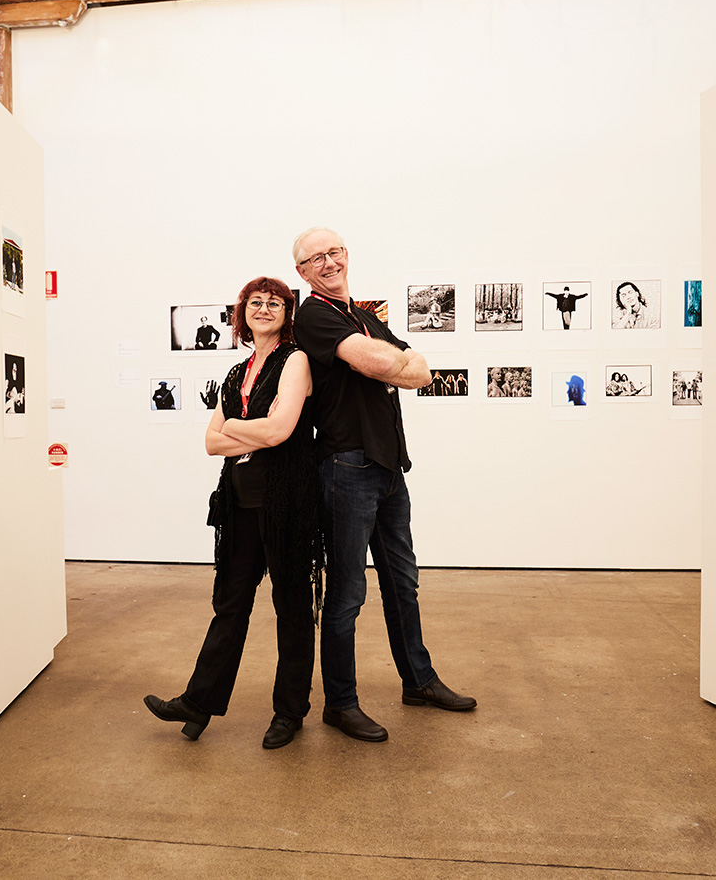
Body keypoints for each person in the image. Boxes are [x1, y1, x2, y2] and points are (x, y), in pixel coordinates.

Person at [291, 227, 475, 743]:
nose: (328, 263)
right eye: (315, 258)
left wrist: (395, 363)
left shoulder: (365, 316)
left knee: (403, 583)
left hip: (390, 468)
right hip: (346, 467)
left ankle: (419, 681)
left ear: (346, 255)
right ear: (302, 272)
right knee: (347, 593)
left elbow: (420, 372)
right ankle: (341, 704)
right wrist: (391, 362)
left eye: (334, 252)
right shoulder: (314, 315)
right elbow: (384, 362)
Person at [145, 277, 321, 749]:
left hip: (285, 504)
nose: (264, 309)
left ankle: (290, 712)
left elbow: (281, 431)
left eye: (275, 303)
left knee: (292, 609)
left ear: (288, 313)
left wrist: (238, 430)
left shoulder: (295, 361)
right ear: (242, 314)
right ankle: (199, 701)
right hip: (240, 502)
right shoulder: (235, 371)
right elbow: (209, 442)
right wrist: (254, 430)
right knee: (230, 606)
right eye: (256, 303)